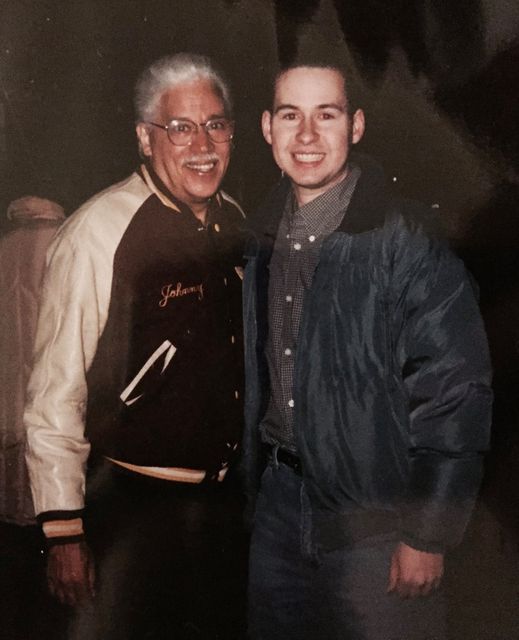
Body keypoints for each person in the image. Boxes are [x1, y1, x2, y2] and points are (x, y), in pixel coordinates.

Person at [242, 60, 493, 640]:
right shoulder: (260, 239)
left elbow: (454, 392)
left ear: (355, 126)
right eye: (290, 116)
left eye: (326, 115)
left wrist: (427, 533)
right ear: (267, 128)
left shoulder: (406, 243)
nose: (307, 135)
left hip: (375, 527)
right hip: (278, 510)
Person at [24, 53, 247, 639]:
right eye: (180, 127)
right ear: (146, 139)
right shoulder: (98, 232)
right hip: (135, 511)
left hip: (227, 507)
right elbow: (56, 389)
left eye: (216, 124)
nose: (203, 145)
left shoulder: (234, 221)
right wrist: (64, 530)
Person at [0, 196, 66, 640]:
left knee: (12, 527)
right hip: (51, 409)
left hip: (6, 407)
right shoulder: (64, 244)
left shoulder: (5, 246)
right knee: (52, 522)